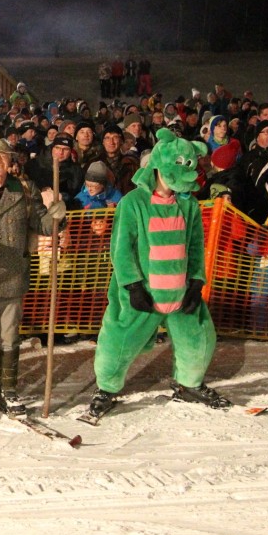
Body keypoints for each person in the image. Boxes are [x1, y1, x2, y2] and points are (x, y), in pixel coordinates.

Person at [87, 129, 227, 421]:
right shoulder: (133, 202)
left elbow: (195, 245)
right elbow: (122, 248)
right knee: (119, 339)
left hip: (180, 288)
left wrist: (196, 282)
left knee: (199, 338)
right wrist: (133, 286)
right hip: (145, 291)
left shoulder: (187, 204)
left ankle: (190, 383)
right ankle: (106, 389)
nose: (187, 174)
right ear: (160, 165)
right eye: (180, 165)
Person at [0, 134, 66, 418]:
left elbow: (44, 226)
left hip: (13, 277)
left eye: (3, 157)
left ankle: (8, 391)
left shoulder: (25, 190)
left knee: (10, 338)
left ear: (10, 162)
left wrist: (57, 214)